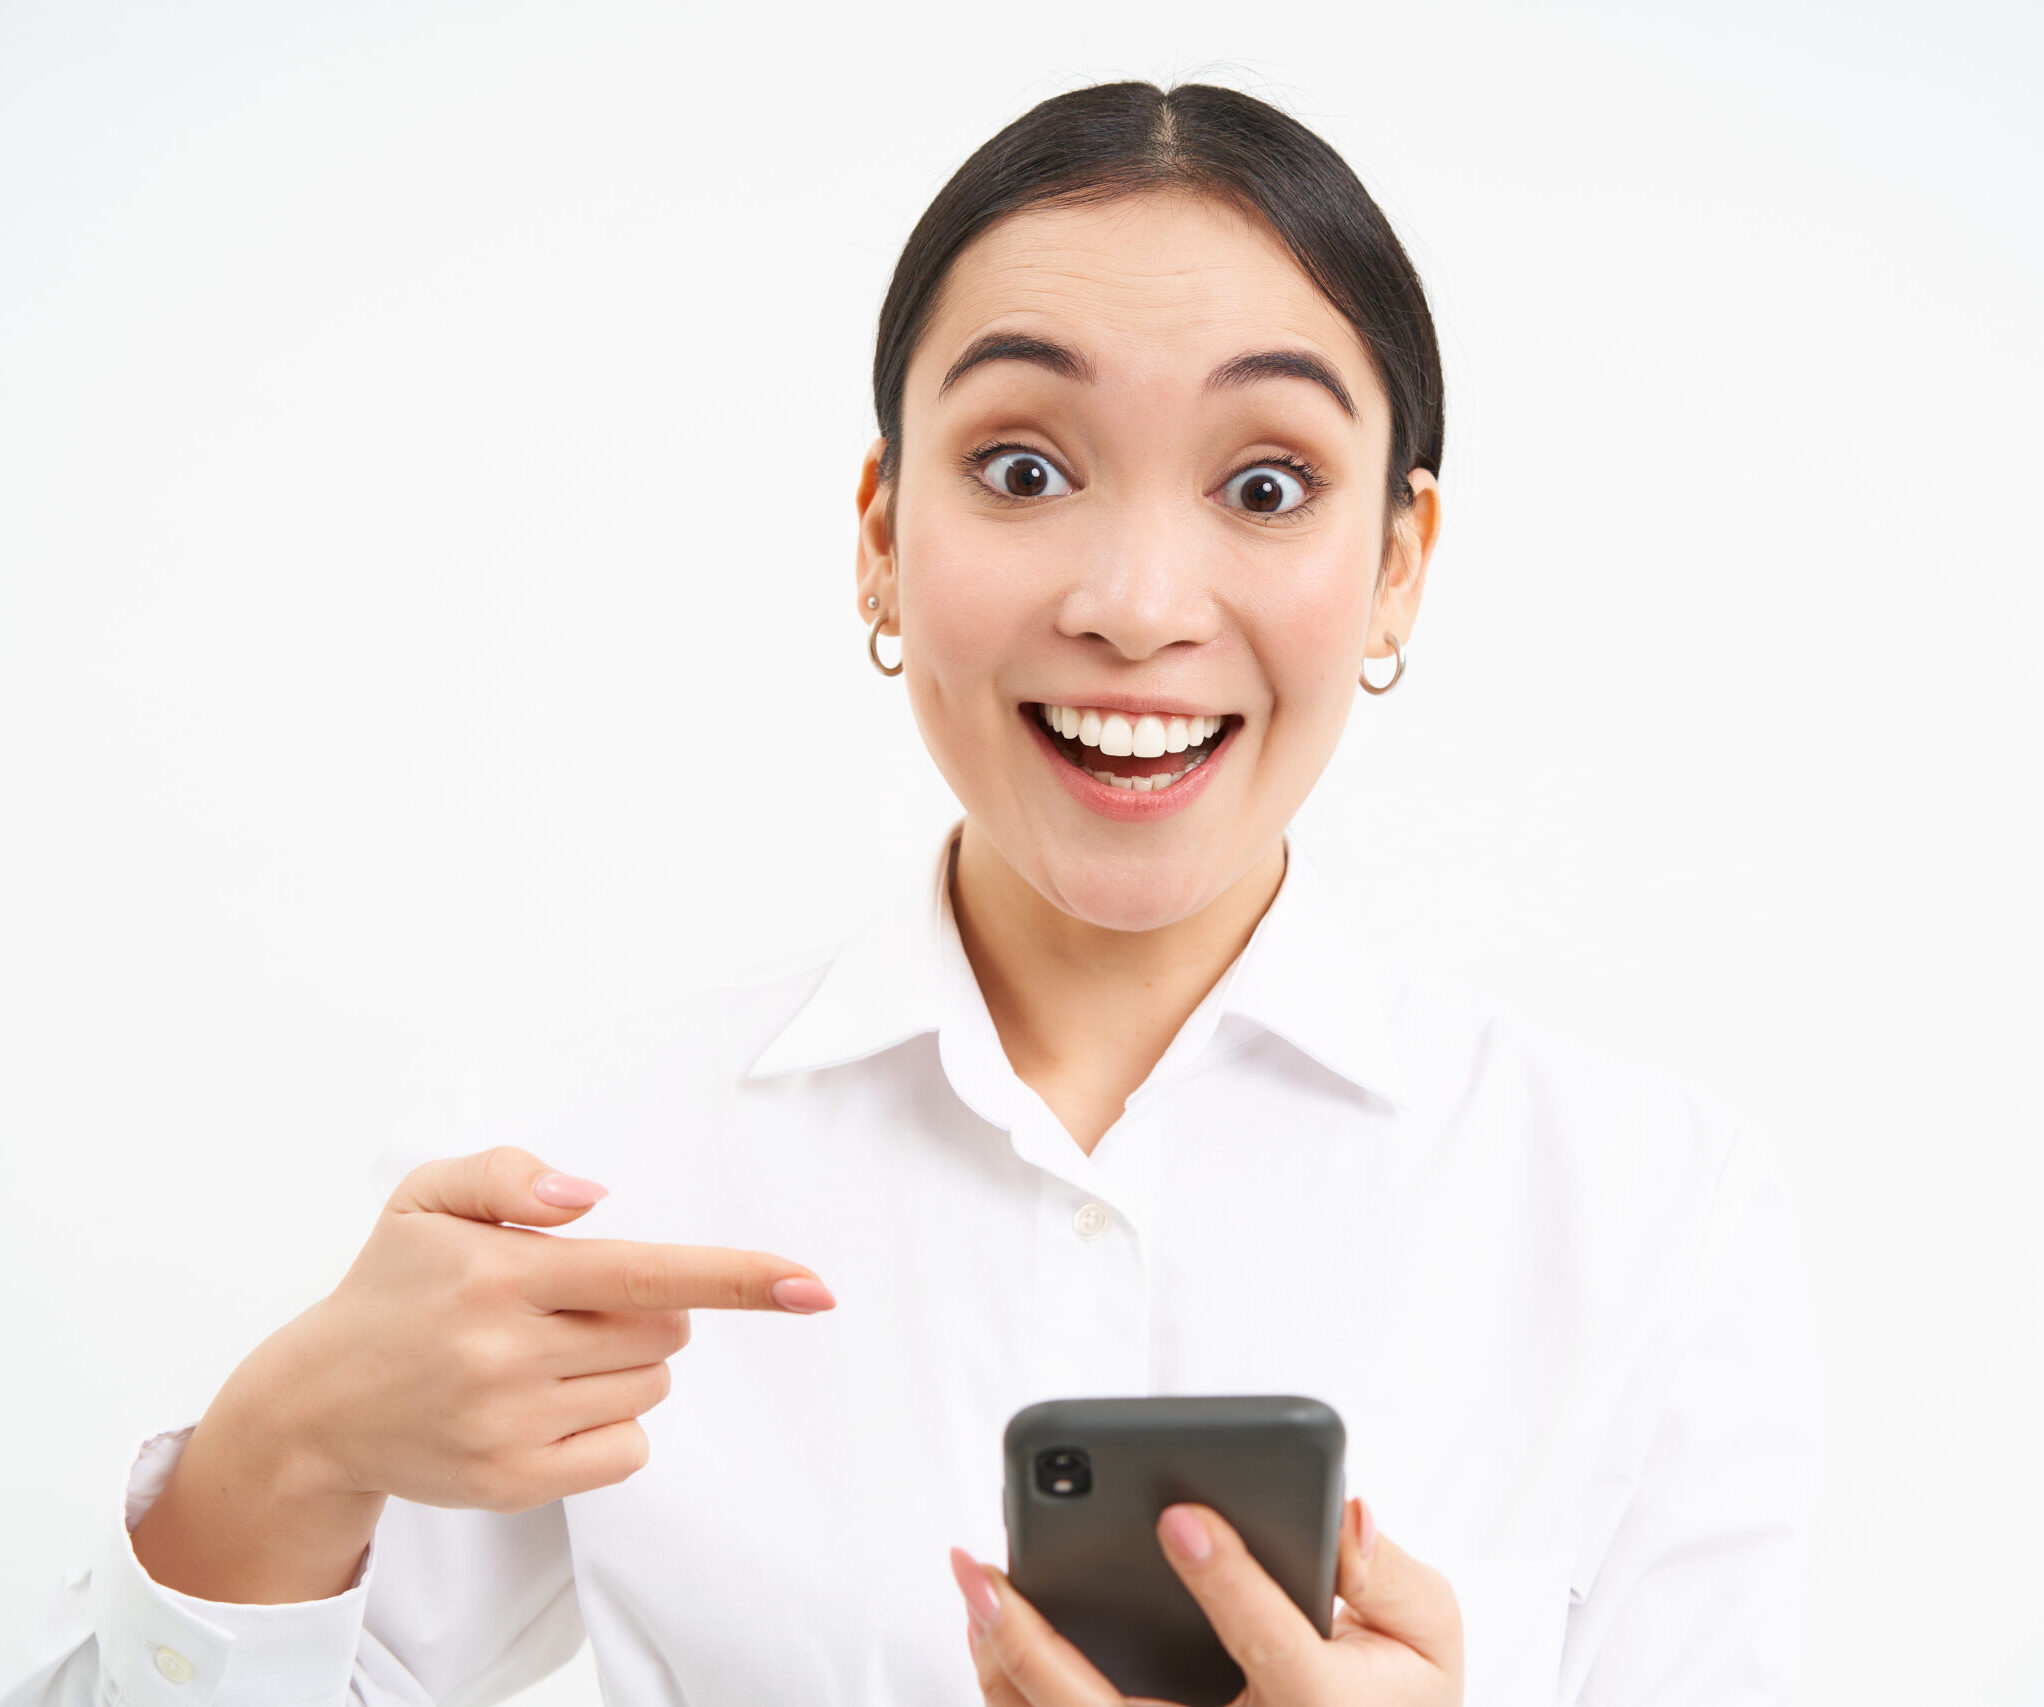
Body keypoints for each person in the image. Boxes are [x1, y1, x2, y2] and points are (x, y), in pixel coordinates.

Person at [2, 80, 1820, 1707]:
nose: (1135, 597)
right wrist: (279, 1453)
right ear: (881, 533)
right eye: (1023, 468)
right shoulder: (586, 1179)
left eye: (1267, 484)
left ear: (1397, 567)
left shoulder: (1649, 1219)